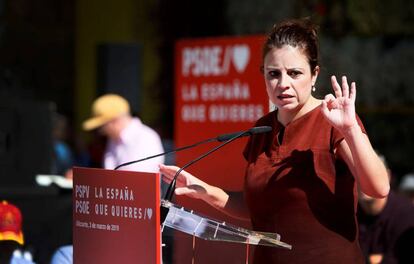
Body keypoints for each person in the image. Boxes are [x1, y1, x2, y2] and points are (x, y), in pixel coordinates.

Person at [159, 17, 390, 263]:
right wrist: (204, 191)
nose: (283, 84)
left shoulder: (333, 120)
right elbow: (256, 207)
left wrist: (351, 129)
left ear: (314, 75)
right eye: (273, 74)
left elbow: (377, 189)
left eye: (294, 73)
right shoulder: (262, 129)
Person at [83, 94, 164, 172]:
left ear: (114, 121)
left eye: (102, 126)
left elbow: (138, 180)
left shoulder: (146, 138)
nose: (101, 131)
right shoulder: (114, 138)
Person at [358, 158, 414, 264]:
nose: (362, 179)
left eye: (369, 172)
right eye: (356, 173)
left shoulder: (406, 213)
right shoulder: (347, 214)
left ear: (387, 176)